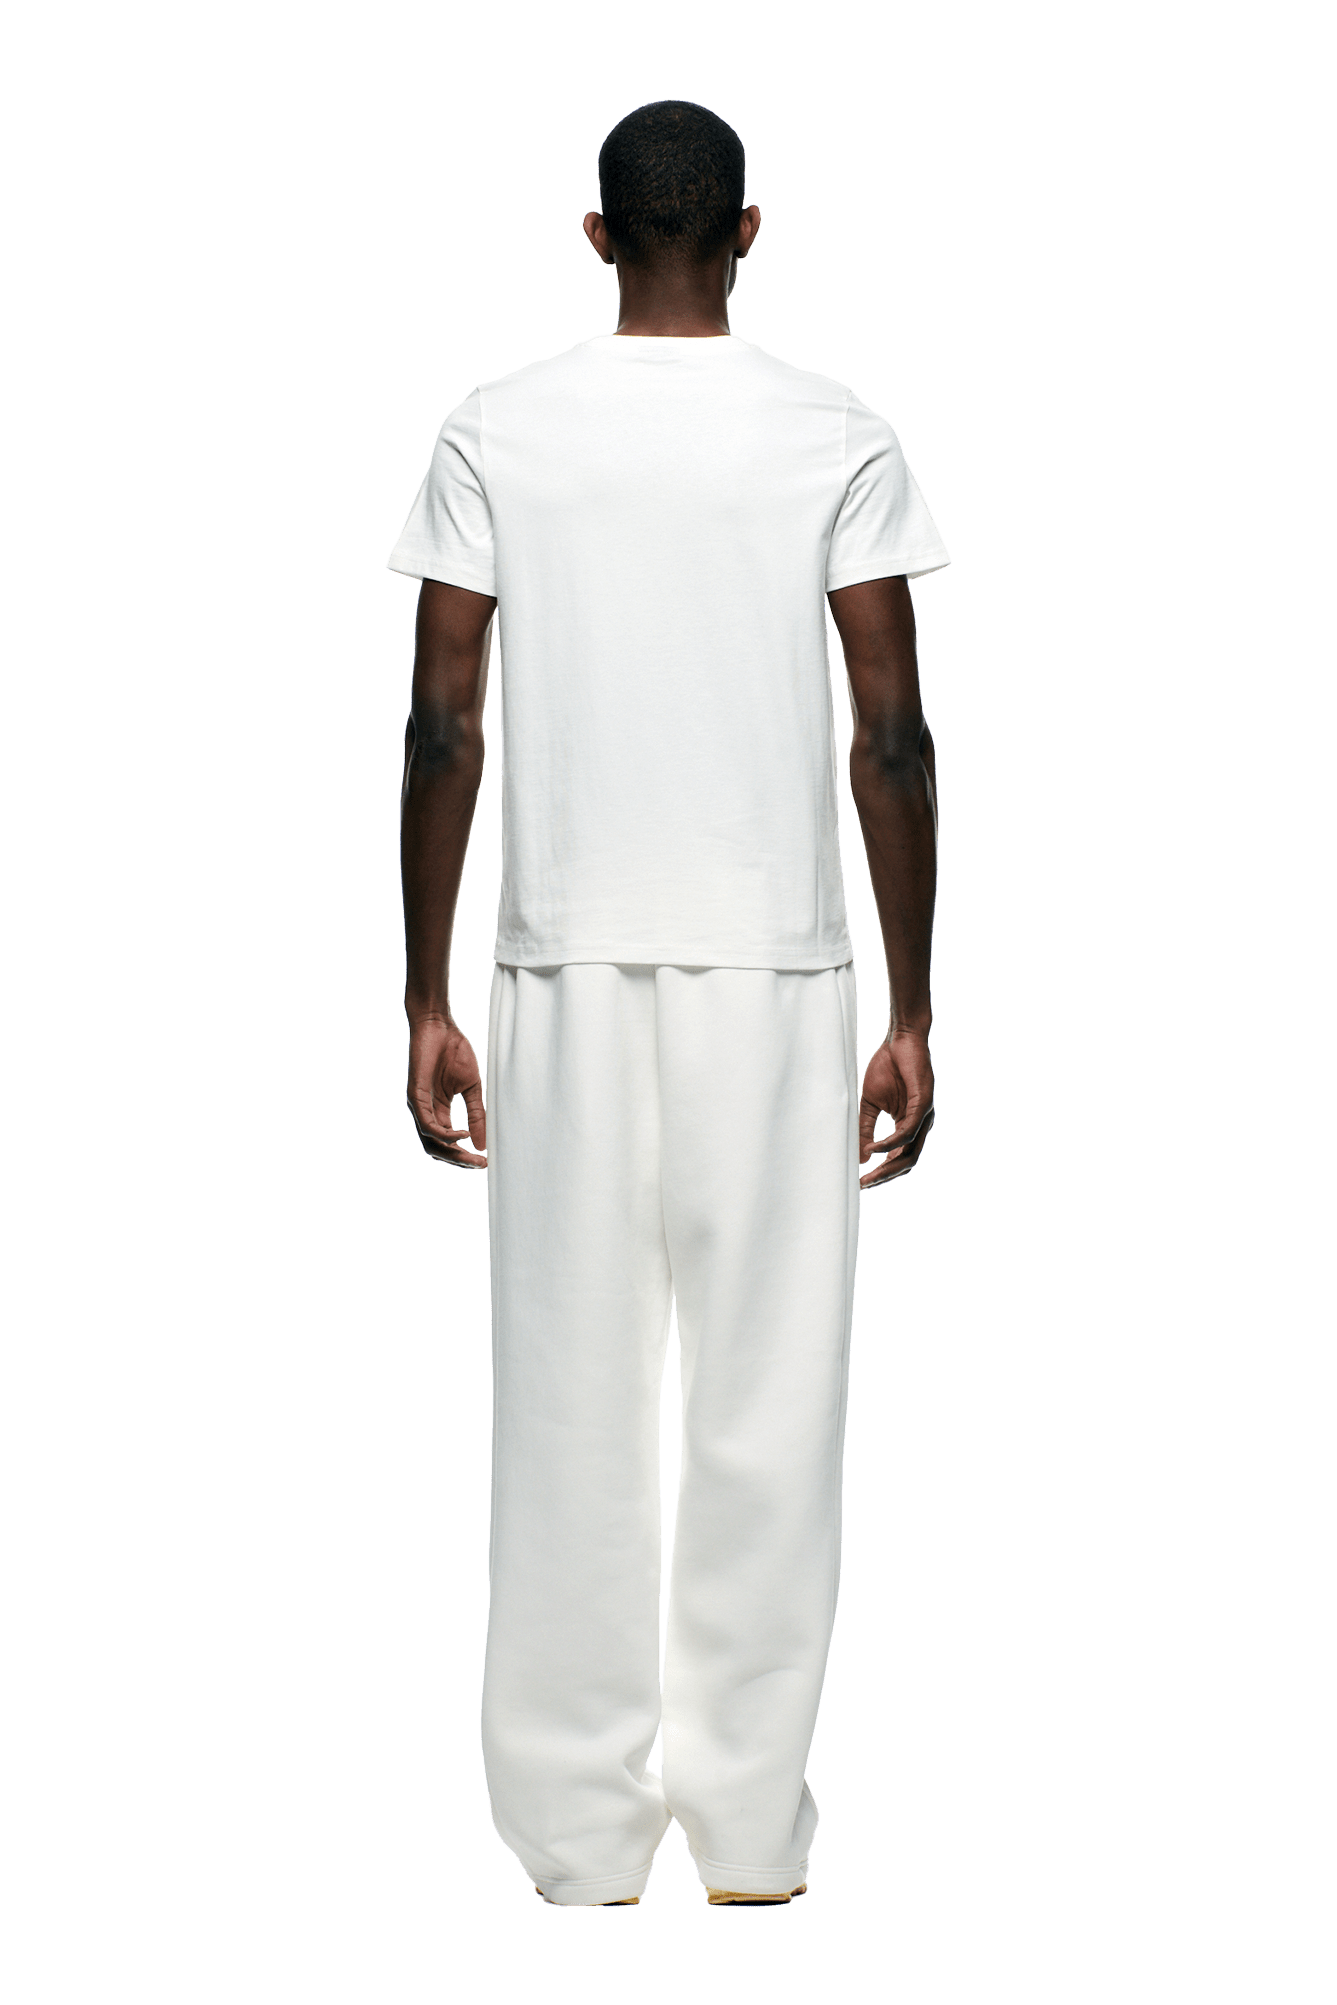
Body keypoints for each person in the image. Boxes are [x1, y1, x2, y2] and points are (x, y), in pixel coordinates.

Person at [386, 98, 950, 1910]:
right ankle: (752, 1840)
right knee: (772, 1409)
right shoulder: (835, 431)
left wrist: (425, 994)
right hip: (778, 973)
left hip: (559, 967)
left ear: (598, 237)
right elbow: (890, 735)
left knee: (563, 1401)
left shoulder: (497, 426)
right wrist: (914, 1009)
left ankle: (574, 1848)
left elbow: (444, 723)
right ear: (748, 234)